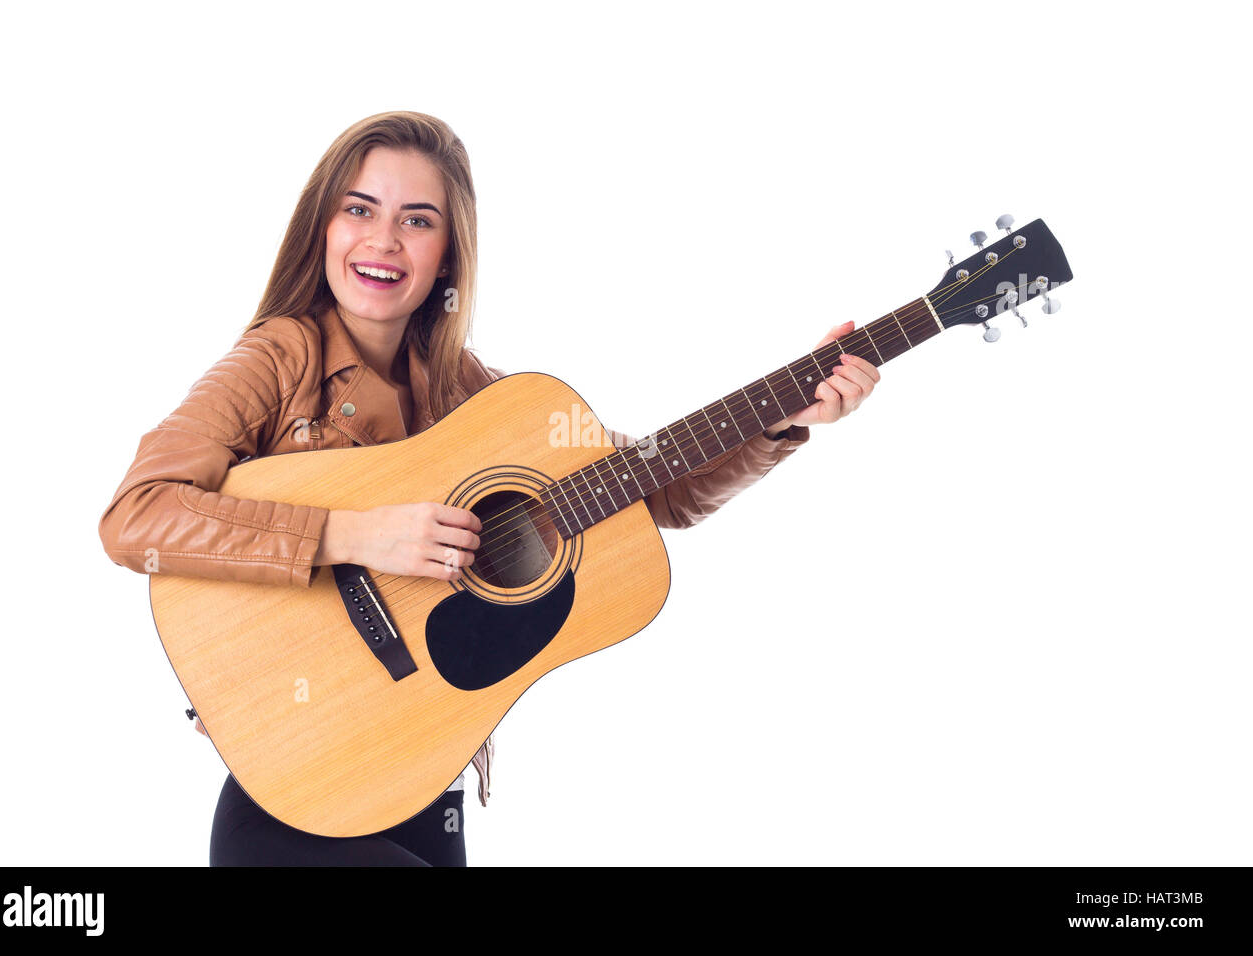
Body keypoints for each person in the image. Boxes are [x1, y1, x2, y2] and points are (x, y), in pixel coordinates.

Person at [98, 110, 880, 866]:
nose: (383, 240)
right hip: (295, 794)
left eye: (417, 220)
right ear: (324, 229)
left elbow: (653, 493)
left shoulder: (475, 394)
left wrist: (783, 417)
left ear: (449, 253)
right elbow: (136, 517)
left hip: (428, 779)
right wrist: (352, 535)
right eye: (360, 209)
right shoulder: (279, 359)